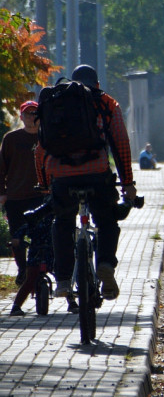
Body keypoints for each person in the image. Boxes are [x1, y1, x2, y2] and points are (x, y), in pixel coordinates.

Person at [35, 64, 135, 301]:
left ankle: (62, 280)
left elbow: (40, 149)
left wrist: (45, 185)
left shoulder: (55, 101)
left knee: (62, 223)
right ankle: (106, 265)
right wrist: (127, 182)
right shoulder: (106, 102)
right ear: (97, 84)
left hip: (61, 176)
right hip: (96, 173)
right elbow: (120, 144)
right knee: (107, 221)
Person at [1, 101, 45, 286]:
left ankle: (37, 270)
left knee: (40, 236)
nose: (31, 118)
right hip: (16, 195)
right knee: (17, 238)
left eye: (34, 114)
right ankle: (21, 270)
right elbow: (1, 167)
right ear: (21, 117)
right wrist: (2, 192)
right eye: (27, 114)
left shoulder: (47, 138)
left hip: (40, 195)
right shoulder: (11, 139)